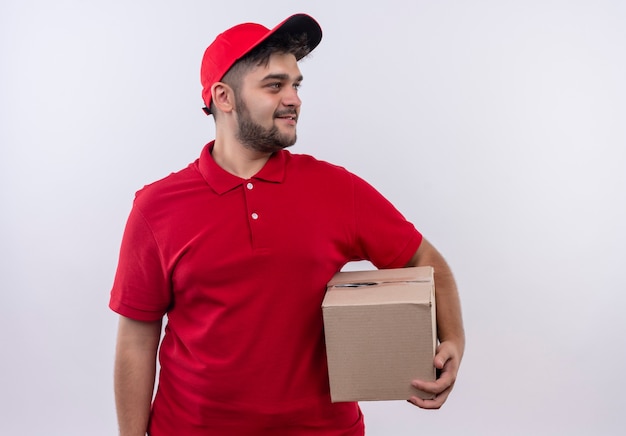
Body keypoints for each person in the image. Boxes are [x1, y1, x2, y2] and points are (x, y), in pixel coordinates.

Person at [110, 13, 464, 436]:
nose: (294, 98)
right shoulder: (156, 207)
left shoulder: (336, 188)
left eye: (296, 85)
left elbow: (423, 258)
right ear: (224, 97)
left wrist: (453, 341)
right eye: (274, 85)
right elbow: (136, 340)